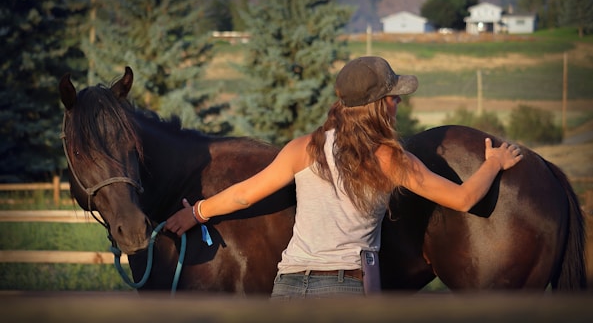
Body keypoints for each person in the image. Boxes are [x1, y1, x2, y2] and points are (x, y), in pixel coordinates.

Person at [165, 56, 523, 299]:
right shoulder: (390, 159)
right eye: (394, 97)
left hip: (288, 285)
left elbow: (243, 195)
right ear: (380, 105)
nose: (399, 103)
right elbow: (463, 199)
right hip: (346, 287)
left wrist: (195, 213)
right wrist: (493, 163)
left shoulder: (304, 148)